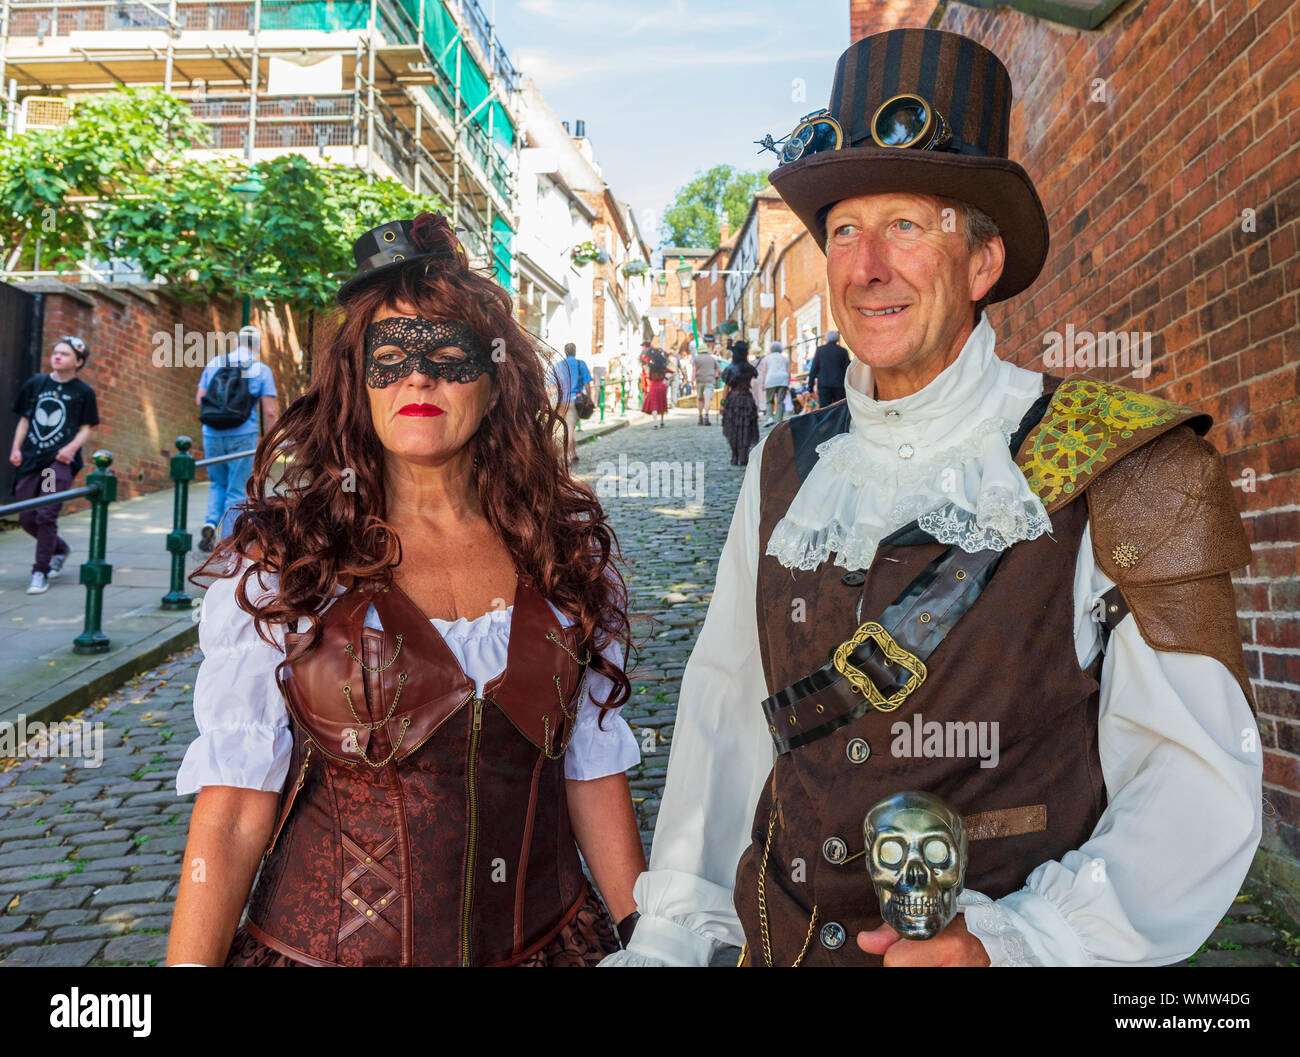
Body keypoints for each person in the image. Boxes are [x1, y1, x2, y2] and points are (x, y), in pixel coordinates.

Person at [606, 28, 1260, 968]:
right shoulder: (784, 467)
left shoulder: (1129, 463)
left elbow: (1197, 781)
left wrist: (1020, 943)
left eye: (906, 225)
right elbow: (720, 719)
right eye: (842, 232)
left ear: (982, 263)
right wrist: (672, 937)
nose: (866, 264)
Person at [168, 212, 645, 967]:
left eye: (448, 351)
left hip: (553, 943)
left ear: (495, 383)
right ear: (358, 383)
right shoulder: (289, 562)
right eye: (390, 353)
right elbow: (229, 820)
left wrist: (643, 938)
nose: (418, 374)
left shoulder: (561, 556)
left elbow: (590, 771)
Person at [8, 335, 99, 595]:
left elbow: (86, 427)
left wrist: (70, 449)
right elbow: (25, 420)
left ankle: (40, 570)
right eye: (55, 353)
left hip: (54, 465)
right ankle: (59, 549)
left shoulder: (83, 393)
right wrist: (16, 448)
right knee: (26, 518)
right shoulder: (36, 384)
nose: (57, 357)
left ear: (78, 362)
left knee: (45, 513)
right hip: (31, 459)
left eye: (65, 354)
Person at [196, 326, 278, 552]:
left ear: (237, 343)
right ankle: (229, 541)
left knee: (217, 483)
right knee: (236, 489)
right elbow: (269, 411)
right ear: (258, 346)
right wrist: (270, 441)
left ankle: (210, 522)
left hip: (211, 434)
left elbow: (200, 400)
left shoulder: (214, 363)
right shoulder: (261, 369)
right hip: (243, 435)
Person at [718, 340, 759, 467]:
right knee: (746, 428)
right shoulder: (750, 368)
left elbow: (726, 387)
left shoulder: (731, 368)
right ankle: (744, 455)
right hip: (747, 399)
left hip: (734, 400)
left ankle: (735, 455)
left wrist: (722, 402)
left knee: (733, 428)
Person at [554, 342, 593, 465]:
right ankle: (563, 457)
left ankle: (573, 453)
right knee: (570, 430)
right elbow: (587, 384)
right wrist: (590, 398)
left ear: (565, 352)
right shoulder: (580, 364)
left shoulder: (558, 365)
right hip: (573, 401)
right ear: (575, 351)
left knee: (562, 429)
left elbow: (552, 385)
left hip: (559, 402)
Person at [808, 330, 849, 408]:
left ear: (826, 338)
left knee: (825, 409)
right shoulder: (843, 351)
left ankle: (827, 421)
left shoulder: (820, 350)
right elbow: (847, 369)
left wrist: (810, 387)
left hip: (824, 384)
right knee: (839, 409)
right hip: (839, 385)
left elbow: (814, 369)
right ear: (837, 339)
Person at [759, 340, 791, 426]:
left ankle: (769, 418)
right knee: (780, 401)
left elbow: (764, 371)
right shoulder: (785, 358)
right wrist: (788, 383)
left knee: (769, 400)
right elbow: (788, 371)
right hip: (783, 379)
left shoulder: (767, 358)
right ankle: (779, 420)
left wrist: (762, 383)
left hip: (771, 379)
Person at [641, 343, 671, 429]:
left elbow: (649, 377)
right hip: (662, 385)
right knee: (661, 404)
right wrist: (665, 379)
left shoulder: (652, 368)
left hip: (654, 386)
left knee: (654, 405)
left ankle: (655, 423)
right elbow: (672, 372)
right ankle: (662, 421)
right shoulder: (663, 367)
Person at [692, 342, 718, 426]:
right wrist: (716, 376)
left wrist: (692, 380)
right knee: (707, 399)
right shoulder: (712, 359)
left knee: (700, 398)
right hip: (709, 380)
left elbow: (694, 370)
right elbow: (719, 370)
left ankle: (700, 416)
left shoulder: (696, 359)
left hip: (699, 380)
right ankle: (706, 415)